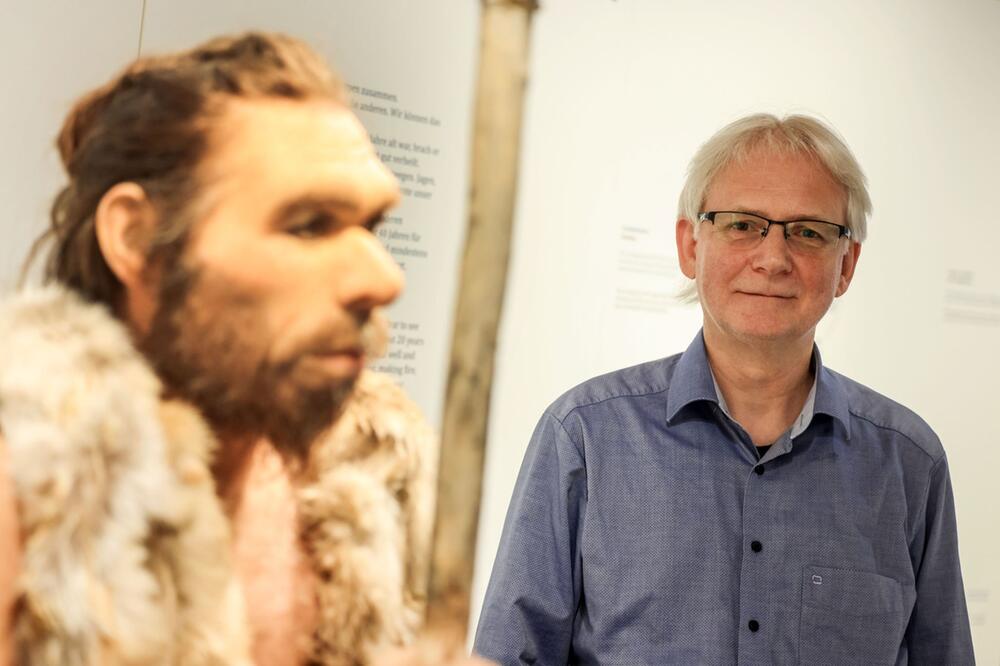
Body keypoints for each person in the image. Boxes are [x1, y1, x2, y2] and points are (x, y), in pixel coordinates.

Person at [0, 32, 484, 666]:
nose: (384, 278)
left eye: (371, 226)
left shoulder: (368, 486)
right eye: (308, 224)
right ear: (137, 238)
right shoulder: (30, 495)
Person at [474, 114, 975, 664]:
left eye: (808, 232)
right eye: (742, 224)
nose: (773, 258)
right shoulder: (585, 437)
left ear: (846, 265)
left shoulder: (908, 464)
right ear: (690, 245)